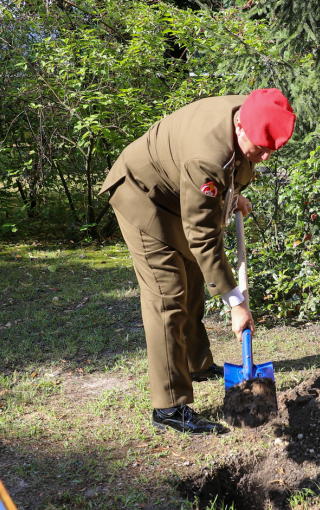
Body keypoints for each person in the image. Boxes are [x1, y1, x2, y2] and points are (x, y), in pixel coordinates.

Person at [100, 88, 295, 434]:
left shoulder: (247, 113)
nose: (264, 158)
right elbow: (203, 236)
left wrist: (232, 198)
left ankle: (196, 363)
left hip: (175, 195)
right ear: (240, 127)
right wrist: (236, 303)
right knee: (167, 294)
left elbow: (227, 174)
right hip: (142, 195)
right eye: (261, 149)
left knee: (192, 279)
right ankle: (169, 405)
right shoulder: (207, 154)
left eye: (271, 150)